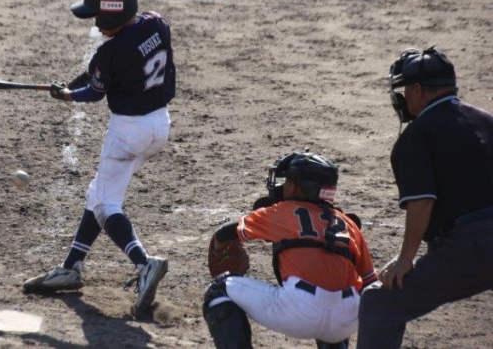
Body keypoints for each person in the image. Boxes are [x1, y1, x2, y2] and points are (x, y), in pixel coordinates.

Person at [22, 0, 176, 318]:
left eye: (97, 17)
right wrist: (73, 83)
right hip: (159, 125)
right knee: (99, 192)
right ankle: (72, 266)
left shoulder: (110, 53)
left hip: (128, 133)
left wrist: (67, 95)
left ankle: (144, 264)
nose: (94, 23)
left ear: (110, 15)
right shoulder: (156, 24)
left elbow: (94, 91)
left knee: (107, 204)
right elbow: (100, 73)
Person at [357, 47, 493, 348]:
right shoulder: (487, 120)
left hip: (470, 247)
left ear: (417, 89)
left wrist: (406, 258)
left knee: (380, 304)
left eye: (406, 90)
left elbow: (422, 201)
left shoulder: (417, 135)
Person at [203, 150, 378, 349]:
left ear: (294, 187)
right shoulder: (349, 224)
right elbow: (370, 283)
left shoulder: (281, 212)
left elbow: (226, 231)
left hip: (299, 312)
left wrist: (219, 246)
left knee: (218, 290)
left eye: (286, 181)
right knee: (337, 298)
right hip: (346, 320)